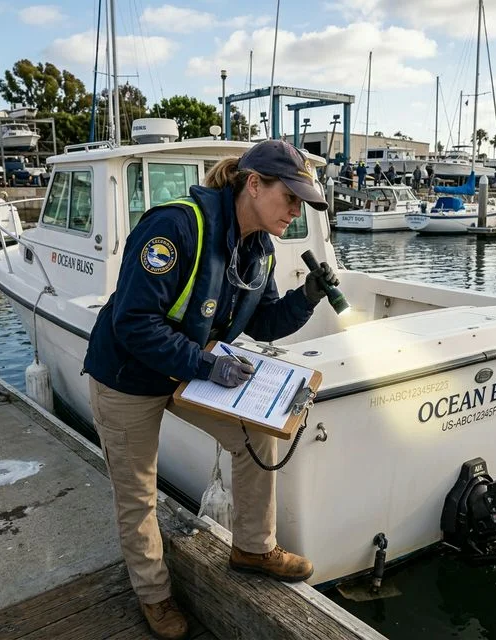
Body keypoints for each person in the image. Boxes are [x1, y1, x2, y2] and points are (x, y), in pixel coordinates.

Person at [83, 139, 337, 640]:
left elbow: (262, 321)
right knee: (138, 495)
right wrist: (204, 364)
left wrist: (307, 298)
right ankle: (154, 595)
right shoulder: (175, 227)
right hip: (128, 376)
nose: (296, 210)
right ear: (254, 183)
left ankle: (253, 547)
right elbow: (134, 322)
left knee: (257, 436)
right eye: (290, 197)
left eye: (302, 202)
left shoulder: (258, 248)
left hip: (190, 367)